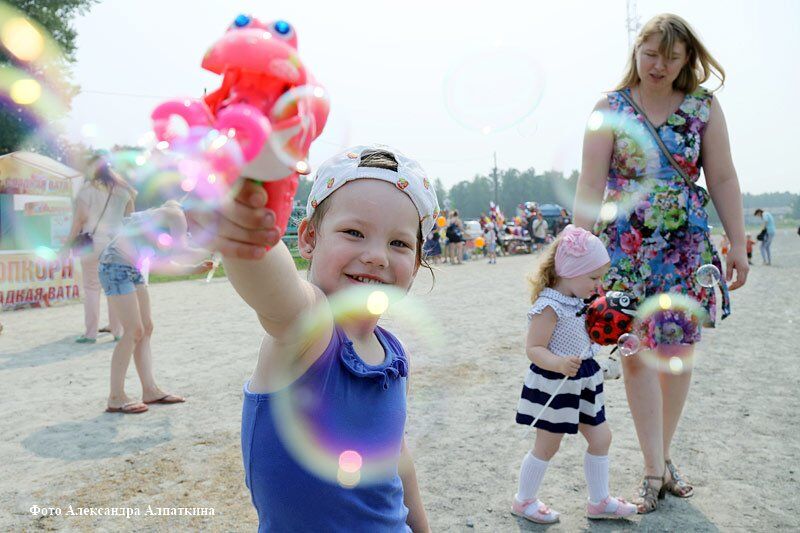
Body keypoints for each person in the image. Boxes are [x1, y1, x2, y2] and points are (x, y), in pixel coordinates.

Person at [204, 145, 434, 531]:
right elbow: (269, 282)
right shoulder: (310, 329)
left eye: (399, 243)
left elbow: (395, 457)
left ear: (414, 262)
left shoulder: (394, 354)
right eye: (354, 232)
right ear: (308, 238)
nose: (377, 255)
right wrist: (246, 219)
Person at [573, 13, 748, 513]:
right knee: (634, 352)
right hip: (625, 247)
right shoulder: (609, 108)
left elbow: (725, 179)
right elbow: (590, 183)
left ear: (686, 59)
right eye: (651, 54)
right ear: (637, 51)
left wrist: (737, 242)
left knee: (675, 357)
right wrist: (578, 247)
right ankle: (654, 469)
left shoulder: (703, 107)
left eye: (671, 57)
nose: (659, 65)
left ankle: (662, 458)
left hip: (685, 249)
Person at [512, 226, 637, 523]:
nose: (599, 284)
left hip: (585, 380)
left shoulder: (585, 303)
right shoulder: (549, 306)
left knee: (601, 437)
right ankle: (524, 500)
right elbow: (534, 348)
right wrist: (556, 363)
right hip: (556, 383)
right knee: (547, 445)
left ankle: (599, 501)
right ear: (568, 271)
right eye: (594, 277)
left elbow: (590, 338)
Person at [99, 200, 212, 414]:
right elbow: (181, 250)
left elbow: (166, 263)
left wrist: (194, 267)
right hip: (115, 266)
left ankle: (149, 390)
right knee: (134, 330)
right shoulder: (175, 214)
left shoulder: (162, 221)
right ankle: (115, 397)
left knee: (146, 328)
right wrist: (214, 246)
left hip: (128, 268)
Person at [63, 162, 137, 343]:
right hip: (116, 244)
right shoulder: (124, 191)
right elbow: (130, 221)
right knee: (114, 289)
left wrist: (66, 245)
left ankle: (90, 333)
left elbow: (79, 220)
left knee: (91, 288)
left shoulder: (86, 190)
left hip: (92, 243)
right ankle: (117, 331)